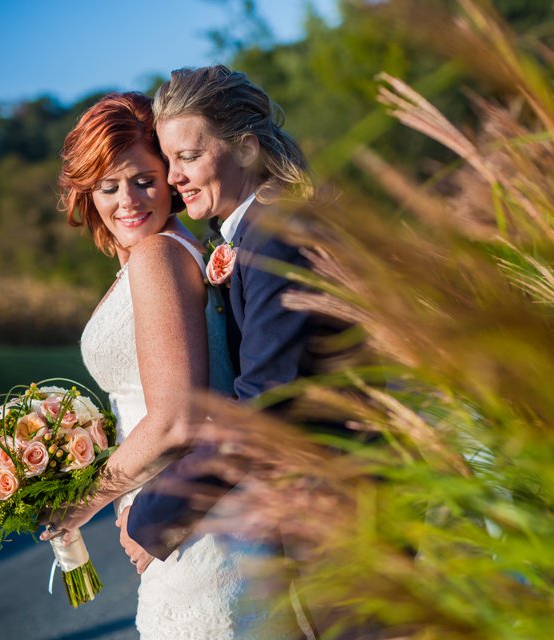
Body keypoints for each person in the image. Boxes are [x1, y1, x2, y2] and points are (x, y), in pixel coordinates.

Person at [123, 65, 350, 638]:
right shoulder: (248, 232)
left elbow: (265, 405)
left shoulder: (274, 233)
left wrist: (155, 513)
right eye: (169, 161)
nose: (174, 178)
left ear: (246, 147)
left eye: (189, 157)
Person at [44, 91, 241, 639]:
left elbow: (175, 418)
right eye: (108, 186)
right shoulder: (165, 253)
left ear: (171, 179)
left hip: (194, 532)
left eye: (144, 180)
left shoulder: (158, 254)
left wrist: (80, 502)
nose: (127, 200)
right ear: (89, 193)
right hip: (182, 521)